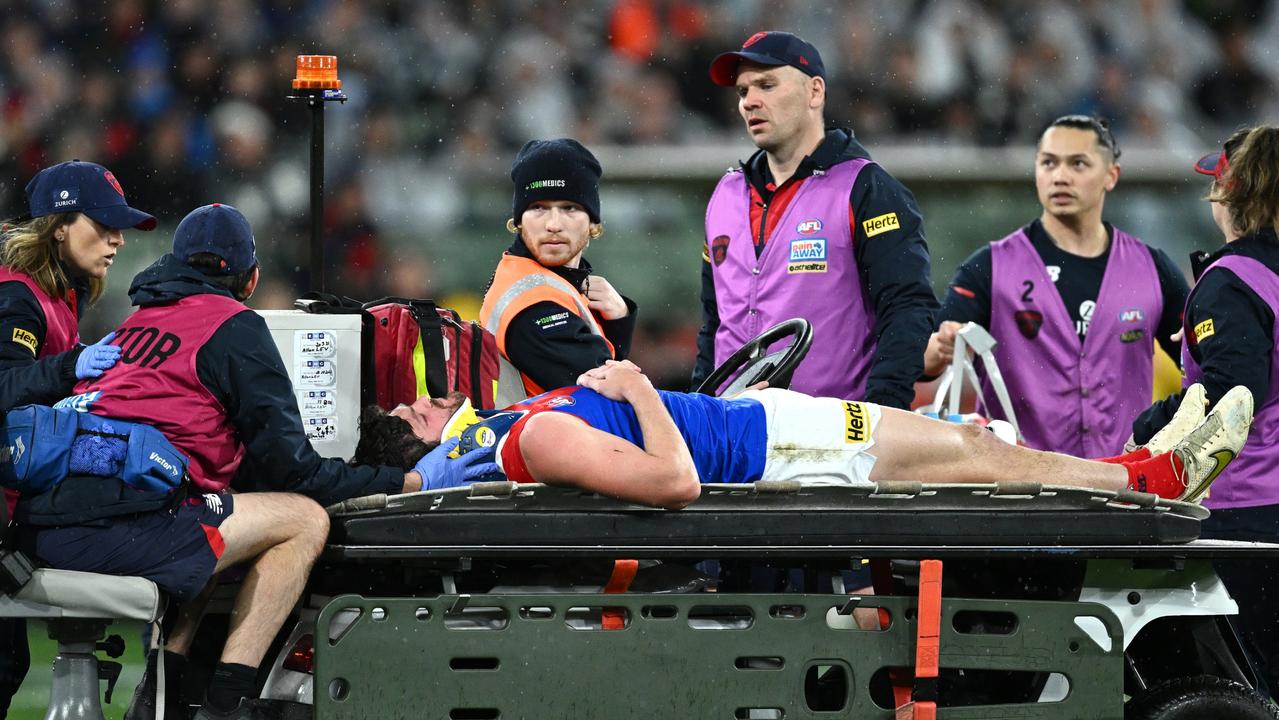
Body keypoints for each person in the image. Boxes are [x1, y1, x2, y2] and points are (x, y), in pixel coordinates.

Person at [19, 203, 494, 720]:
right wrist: (409, 479)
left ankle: (165, 693)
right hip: (114, 528)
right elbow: (299, 475)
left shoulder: (134, 324)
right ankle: (227, 706)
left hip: (45, 522)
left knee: (222, 511)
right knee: (302, 520)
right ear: (251, 279)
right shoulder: (234, 326)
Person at [357, 359, 1251, 512]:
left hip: (771, 427)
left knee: (975, 441)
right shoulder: (525, 440)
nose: (428, 400)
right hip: (779, 447)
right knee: (977, 453)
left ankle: (1134, 467)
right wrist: (637, 386)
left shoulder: (514, 423)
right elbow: (674, 484)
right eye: (414, 412)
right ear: (425, 439)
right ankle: (1148, 480)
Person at [691, 31, 937, 407]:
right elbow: (713, 323)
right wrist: (699, 408)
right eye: (742, 92)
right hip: (732, 434)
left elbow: (907, 309)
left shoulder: (867, 189)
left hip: (830, 439)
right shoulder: (724, 195)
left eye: (767, 85)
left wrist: (882, 414)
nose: (750, 102)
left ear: (815, 92)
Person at [922, 116, 1190, 457]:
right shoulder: (988, 268)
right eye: (1049, 162)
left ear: (1111, 176)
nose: (1060, 176)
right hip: (1022, 492)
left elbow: (1200, 370)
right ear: (1036, 171)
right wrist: (938, 348)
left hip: (1125, 491)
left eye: (1078, 163)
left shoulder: (1154, 270)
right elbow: (930, 358)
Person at [0, 160, 155, 718]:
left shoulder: (60, 293)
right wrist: (73, 369)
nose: (117, 240)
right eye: (104, 224)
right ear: (59, 225)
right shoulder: (17, 298)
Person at [1132, 125, 1279, 698]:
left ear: (1229, 193)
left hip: (1248, 510)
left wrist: (1147, 425)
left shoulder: (1231, 282)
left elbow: (1232, 394)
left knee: (1254, 688)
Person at [480, 138, 636, 396]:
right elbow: (616, 396)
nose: (553, 224)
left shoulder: (555, 282)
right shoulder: (533, 303)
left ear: (593, 222)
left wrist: (618, 319)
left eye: (569, 208)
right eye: (538, 208)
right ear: (519, 221)